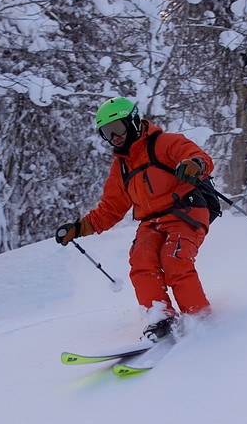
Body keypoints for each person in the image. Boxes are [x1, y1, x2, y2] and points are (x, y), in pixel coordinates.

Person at [55, 97, 215, 342]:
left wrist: (194, 164)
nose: (114, 137)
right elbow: (110, 209)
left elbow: (199, 156)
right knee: (142, 260)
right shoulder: (121, 167)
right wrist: (78, 228)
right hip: (152, 222)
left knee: (174, 258)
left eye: (117, 128)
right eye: (106, 133)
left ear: (134, 121)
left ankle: (200, 319)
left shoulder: (164, 143)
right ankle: (160, 318)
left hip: (186, 211)